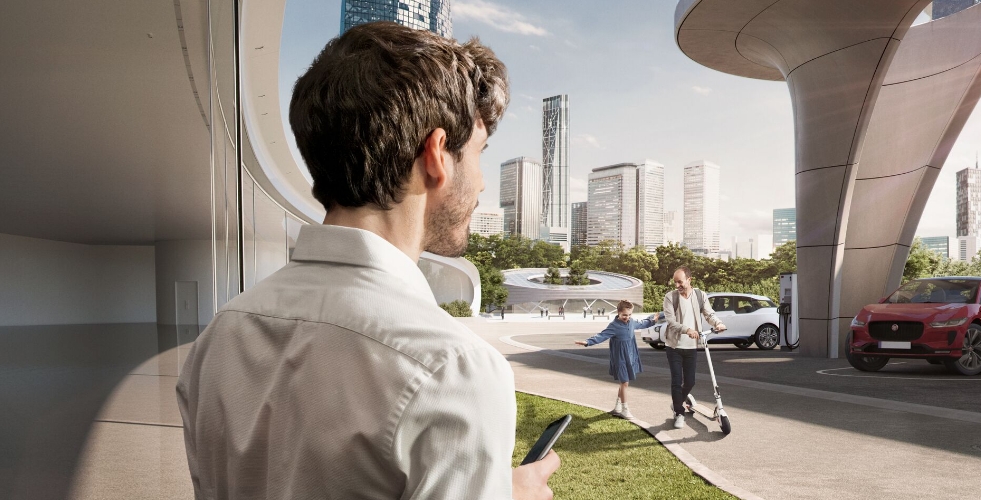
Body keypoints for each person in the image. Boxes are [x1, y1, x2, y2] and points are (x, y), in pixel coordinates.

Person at [174, 22, 559, 499]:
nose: (481, 183)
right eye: (478, 153)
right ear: (437, 154)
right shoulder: (453, 370)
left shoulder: (220, 336)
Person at [661, 266, 726, 429]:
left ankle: (677, 402)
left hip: (691, 347)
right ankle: (679, 412)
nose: (677, 285)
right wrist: (687, 330)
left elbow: (708, 313)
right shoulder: (670, 297)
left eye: (680, 282)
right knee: (677, 381)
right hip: (674, 346)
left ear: (689, 279)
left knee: (690, 381)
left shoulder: (699, 295)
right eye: (675, 282)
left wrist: (717, 323)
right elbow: (671, 321)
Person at [573, 300, 656, 419]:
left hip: (630, 357)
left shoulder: (631, 322)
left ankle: (618, 407)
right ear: (618, 313)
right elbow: (601, 336)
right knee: (625, 383)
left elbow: (643, 323)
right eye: (624, 315)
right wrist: (587, 342)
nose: (627, 317)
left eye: (629, 315)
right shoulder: (614, 326)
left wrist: (654, 319)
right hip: (620, 359)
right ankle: (625, 409)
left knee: (623, 383)